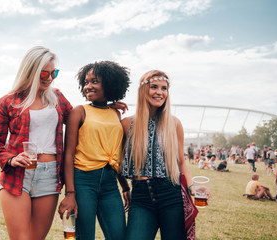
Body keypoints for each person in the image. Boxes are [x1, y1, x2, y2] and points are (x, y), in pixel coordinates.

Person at [0, 46, 72, 240]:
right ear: (31, 71)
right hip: (17, 175)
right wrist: (11, 158)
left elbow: (80, 122)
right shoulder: (7, 102)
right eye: (44, 73)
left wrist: (106, 107)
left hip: (49, 175)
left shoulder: (57, 98)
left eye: (53, 73)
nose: (49, 78)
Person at [121, 70, 201, 240]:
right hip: (141, 197)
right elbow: (116, 162)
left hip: (171, 196)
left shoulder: (174, 123)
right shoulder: (126, 123)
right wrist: (125, 188)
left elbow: (181, 162)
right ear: (143, 90)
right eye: (154, 87)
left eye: (164, 88)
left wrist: (192, 187)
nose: (159, 92)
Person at [57, 61, 130, 240]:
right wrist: (70, 193)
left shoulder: (116, 114)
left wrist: (125, 186)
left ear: (110, 84)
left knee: (119, 235)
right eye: (86, 82)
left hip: (110, 183)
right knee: (84, 237)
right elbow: (69, 155)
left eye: (94, 81)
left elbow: (114, 153)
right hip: (83, 183)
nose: (88, 86)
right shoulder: (79, 112)